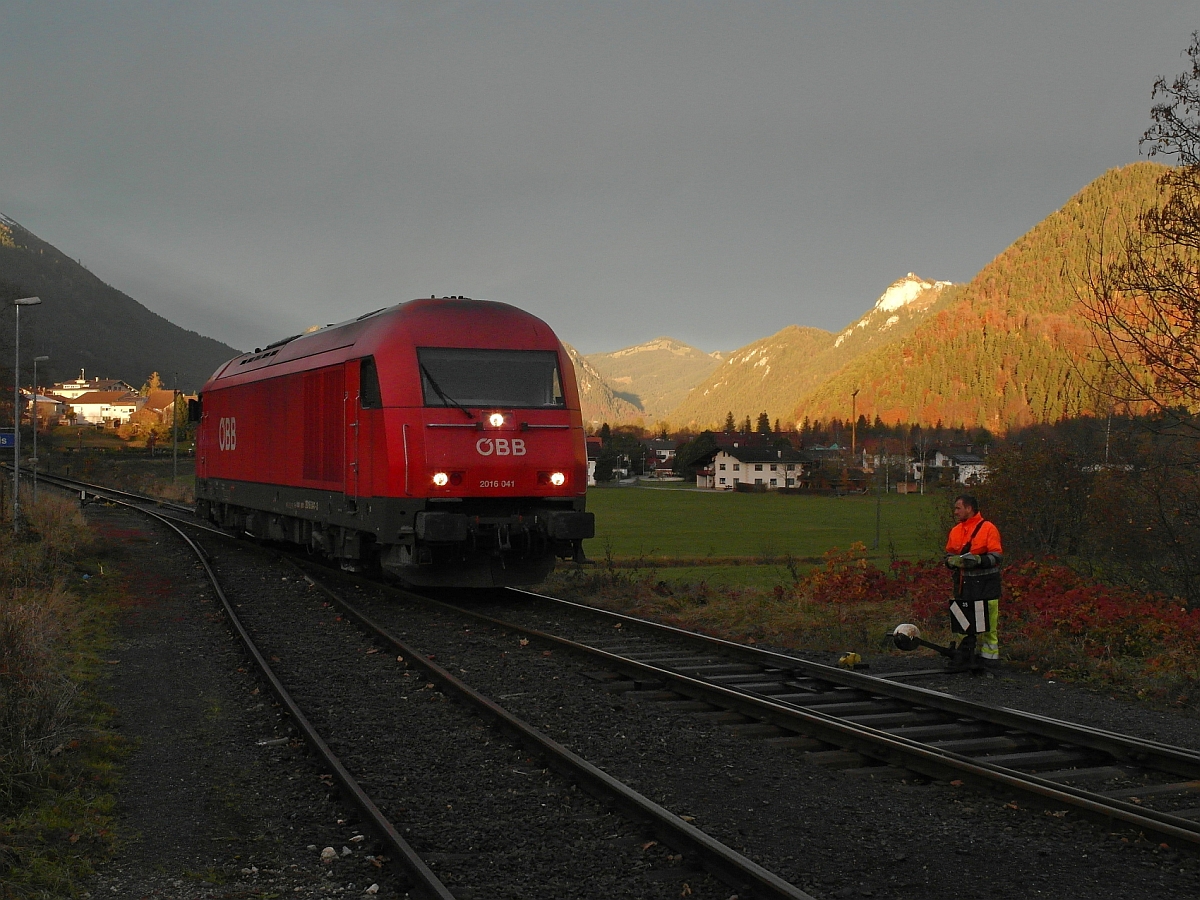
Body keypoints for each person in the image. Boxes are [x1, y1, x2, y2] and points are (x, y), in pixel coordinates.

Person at [944, 494, 1003, 670]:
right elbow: (948, 555)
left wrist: (978, 560)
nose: (955, 512)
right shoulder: (956, 531)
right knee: (965, 623)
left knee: (989, 624)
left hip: (987, 585)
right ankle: (966, 655)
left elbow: (997, 556)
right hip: (964, 585)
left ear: (969, 508)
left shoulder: (988, 528)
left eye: (958, 508)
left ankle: (989, 658)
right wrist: (951, 561)